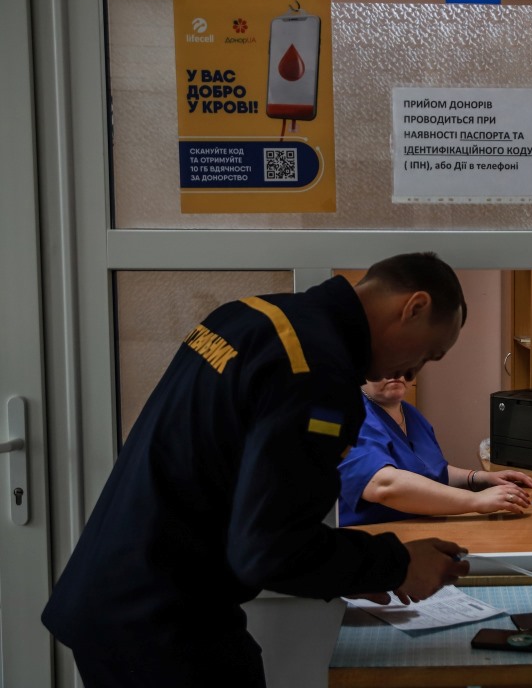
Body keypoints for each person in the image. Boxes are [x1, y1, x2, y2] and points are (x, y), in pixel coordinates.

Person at [41, 252, 473, 687]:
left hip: (118, 591)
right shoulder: (314, 369)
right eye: (429, 353)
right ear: (414, 307)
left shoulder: (248, 317)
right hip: (161, 621)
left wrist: (350, 573)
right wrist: (397, 564)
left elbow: (228, 488)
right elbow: (271, 549)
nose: (414, 370)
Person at [337, 376, 532, 525]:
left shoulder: (409, 413)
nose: (396, 372)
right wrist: (477, 500)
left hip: (419, 529)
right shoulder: (350, 415)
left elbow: (431, 471)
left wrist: (478, 478)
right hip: (371, 540)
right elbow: (383, 485)